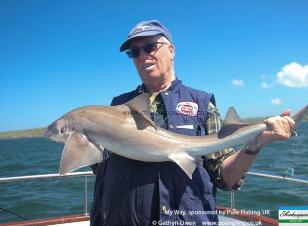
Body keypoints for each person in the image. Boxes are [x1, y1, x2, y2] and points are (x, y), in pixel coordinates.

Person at [90, 20, 295, 226]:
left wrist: (253, 145)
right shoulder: (117, 106)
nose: (143, 56)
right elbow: (103, 169)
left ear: (171, 50)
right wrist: (84, 144)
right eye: (134, 52)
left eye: (150, 47)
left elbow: (225, 178)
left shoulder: (202, 104)